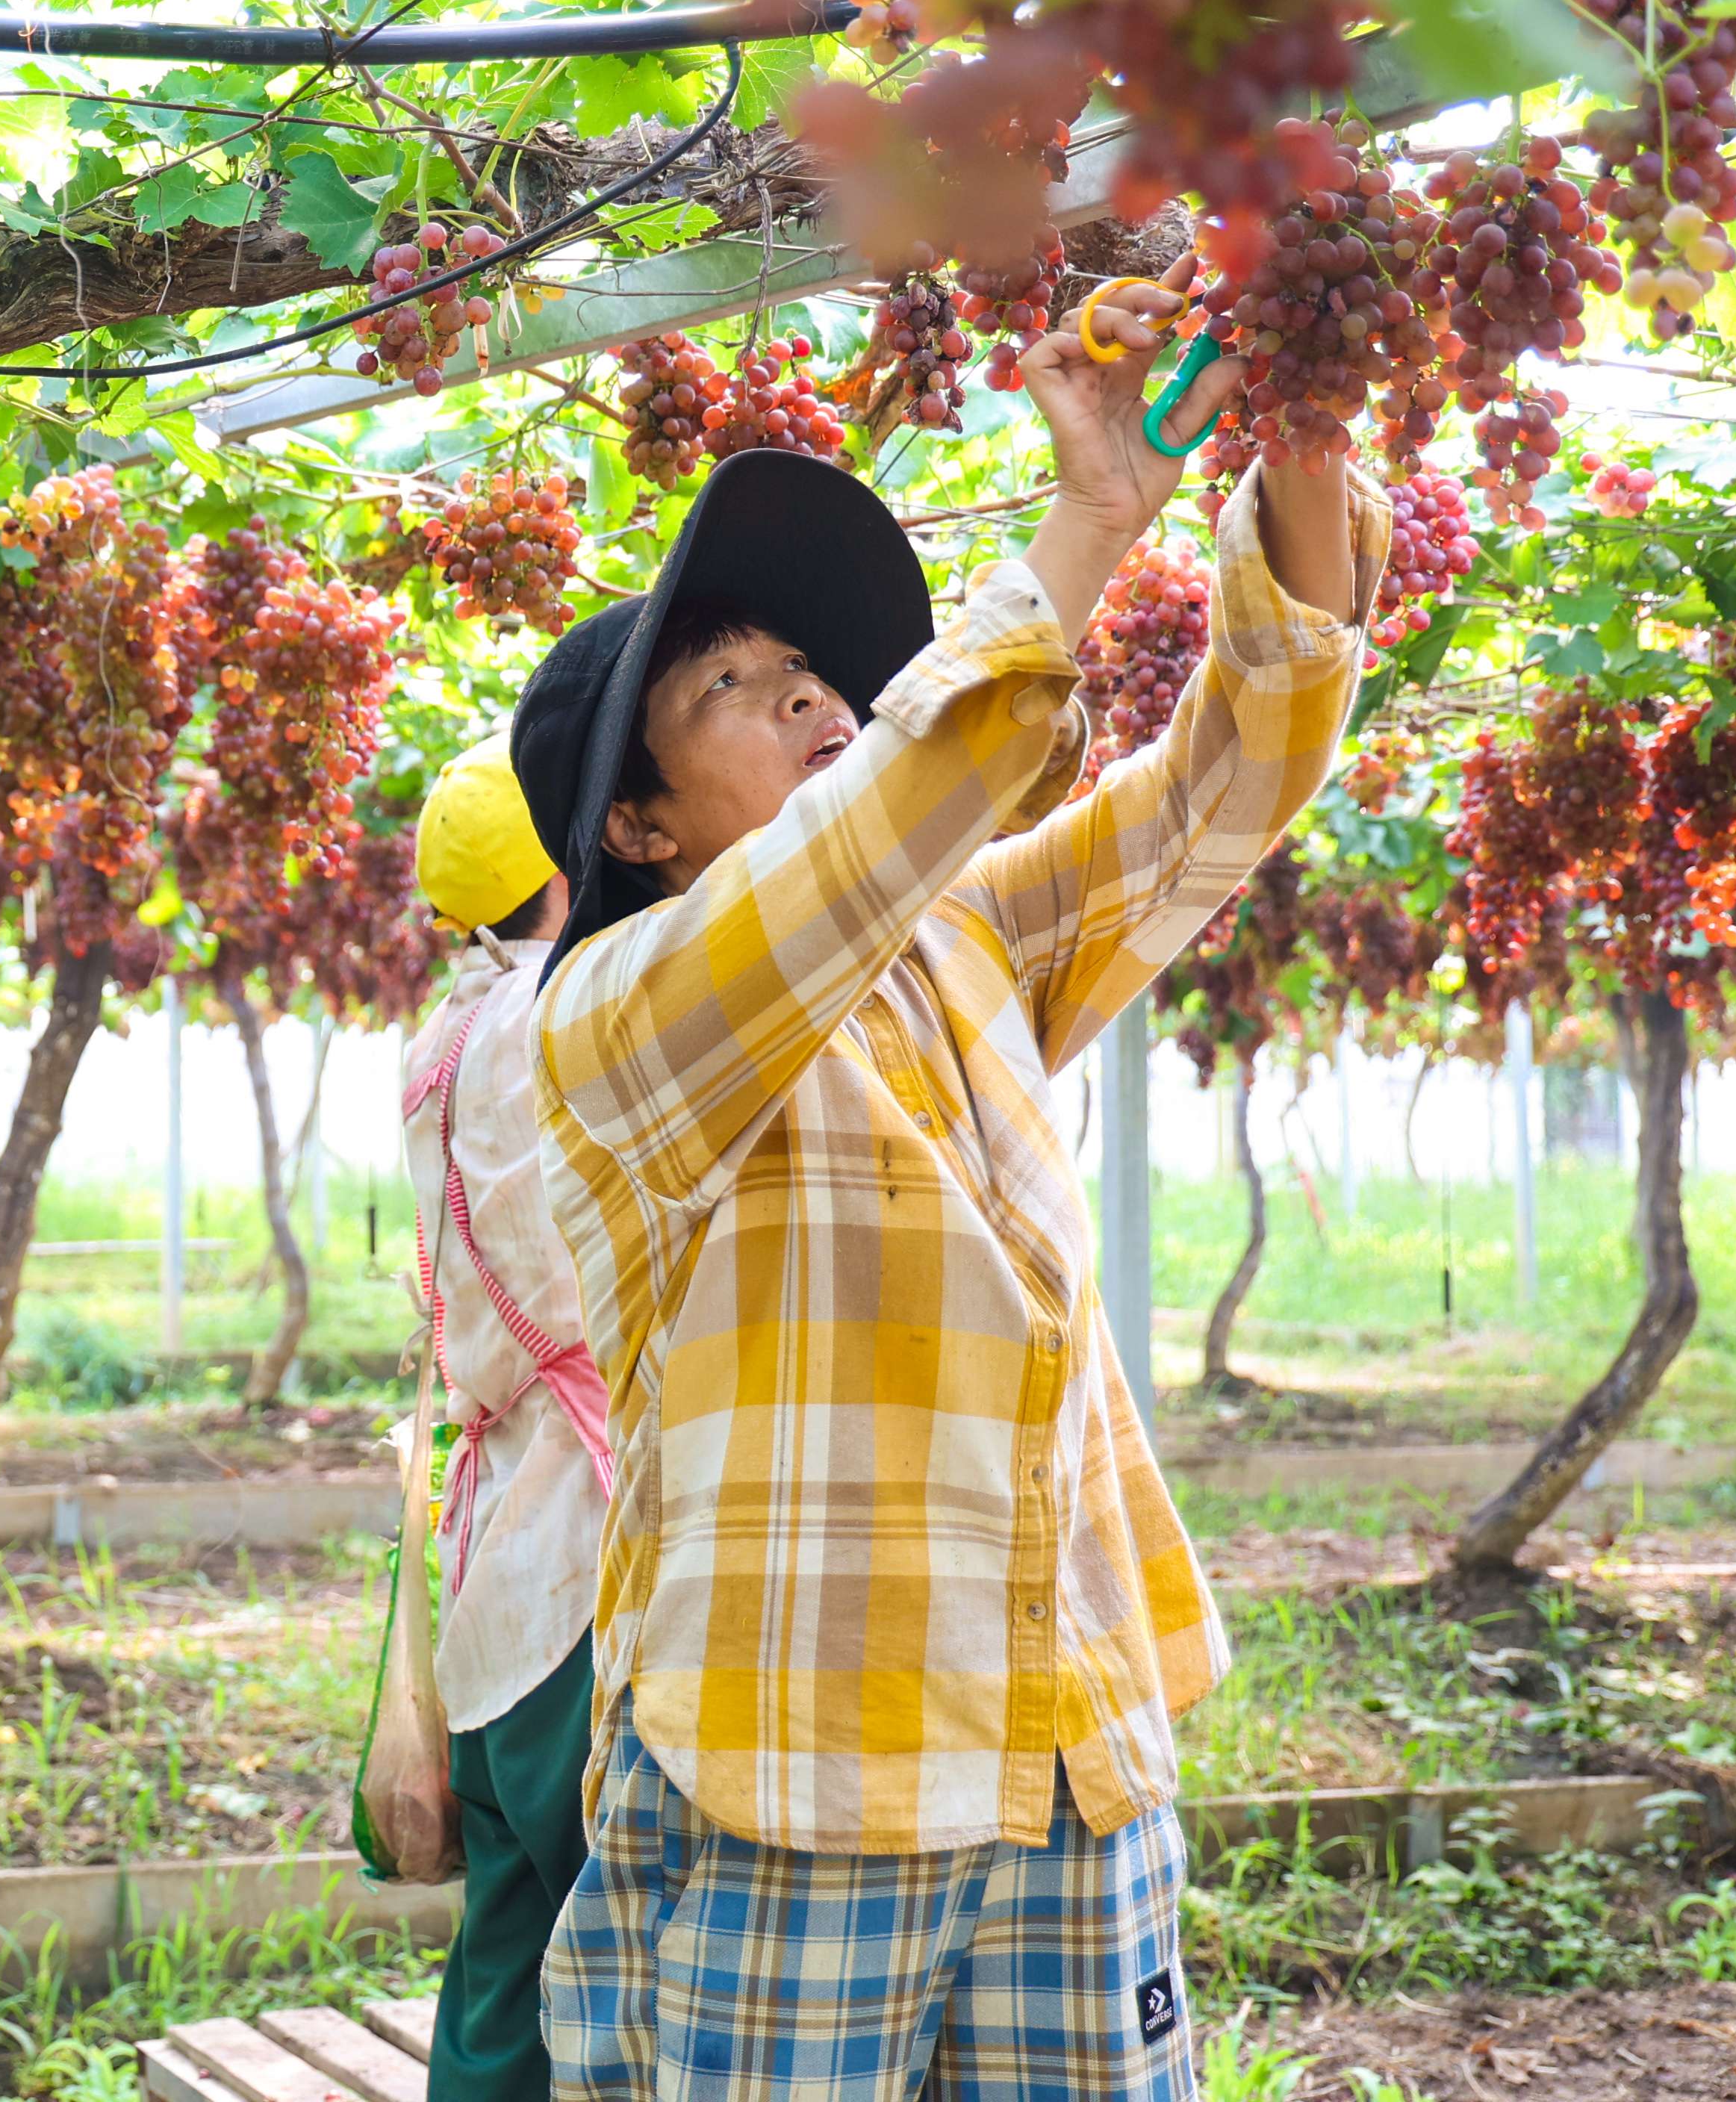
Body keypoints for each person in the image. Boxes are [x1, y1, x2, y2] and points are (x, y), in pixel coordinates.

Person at [516, 276, 1373, 2102]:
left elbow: (1219, 794)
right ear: (637, 828)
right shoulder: (614, 1017)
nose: (815, 700)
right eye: (734, 690)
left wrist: (1295, 408)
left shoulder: (958, 944)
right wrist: (1085, 527)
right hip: (802, 1769)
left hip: (1064, 1749)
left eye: (818, 676)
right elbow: (876, 829)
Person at [398, 733, 605, 2102]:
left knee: (505, 1951)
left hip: (493, 1545)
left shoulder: (439, 1040)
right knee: (617, 1936)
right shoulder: (577, 1012)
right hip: (590, 1551)